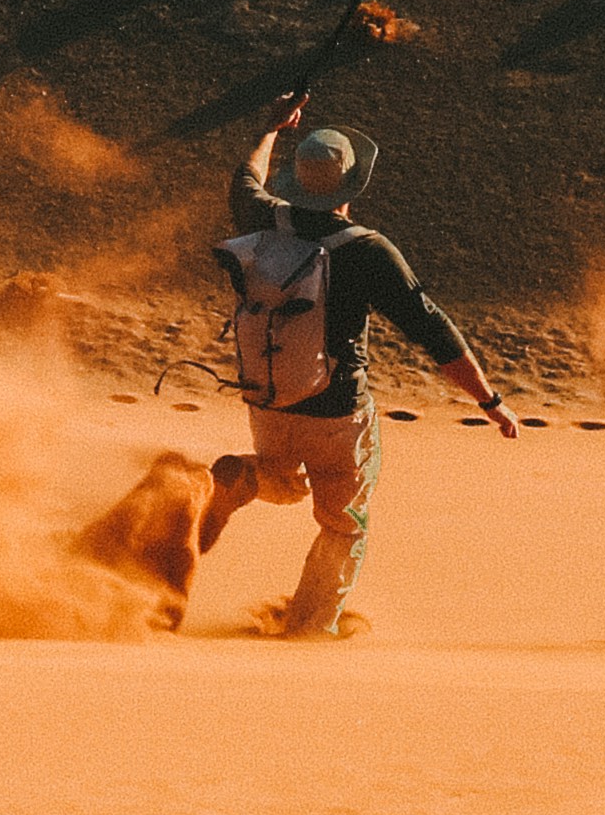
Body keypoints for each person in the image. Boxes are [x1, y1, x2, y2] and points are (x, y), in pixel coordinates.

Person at [198, 96, 517, 638]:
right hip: (339, 415)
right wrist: (489, 400)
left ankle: (246, 478)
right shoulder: (367, 250)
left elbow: (244, 177)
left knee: (282, 481)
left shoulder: (261, 217)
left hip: (269, 400)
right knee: (343, 525)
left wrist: (270, 125)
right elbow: (431, 328)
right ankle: (310, 626)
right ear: (353, 186)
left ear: (297, 180)